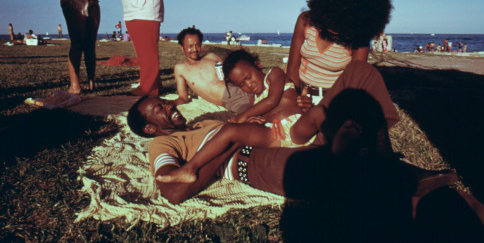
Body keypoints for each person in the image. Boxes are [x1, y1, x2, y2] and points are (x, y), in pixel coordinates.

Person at [127, 60, 400, 203]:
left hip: (285, 135)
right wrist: (234, 138)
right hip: (251, 157)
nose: (170, 106)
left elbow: (266, 112)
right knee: (313, 170)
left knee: (359, 71)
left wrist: (297, 106)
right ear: (151, 128)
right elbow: (172, 190)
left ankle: (363, 154)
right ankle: (341, 157)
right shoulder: (162, 145)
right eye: (160, 109)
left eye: (165, 102)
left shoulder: (203, 121)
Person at [158, 49, 316, 184]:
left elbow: (272, 101)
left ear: (257, 65)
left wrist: (243, 115)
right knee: (230, 130)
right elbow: (262, 115)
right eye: (242, 85)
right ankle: (189, 168)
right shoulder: (254, 100)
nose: (249, 85)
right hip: (274, 136)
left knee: (319, 113)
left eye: (248, 77)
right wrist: (252, 120)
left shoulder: (274, 74)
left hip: (297, 128)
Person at [286, 0, 392, 107]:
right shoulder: (305, 21)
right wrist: (295, 98)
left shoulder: (359, 38)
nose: (336, 28)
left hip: (335, 100)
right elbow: (292, 68)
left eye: (344, 24)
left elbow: (353, 84)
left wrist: (324, 107)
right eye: (333, 21)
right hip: (300, 93)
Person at [174, 27, 252, 113]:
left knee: (265, 99)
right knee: (253, 113)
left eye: (197, 45)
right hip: (230, 99)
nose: (195, 49)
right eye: (190, 46)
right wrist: (170, 103)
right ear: (181, 47)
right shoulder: (181, 68)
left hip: (243, 87)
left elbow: (230, 72)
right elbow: (183, 98)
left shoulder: (211, 57)